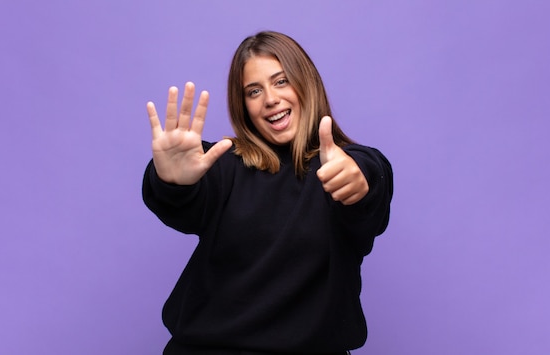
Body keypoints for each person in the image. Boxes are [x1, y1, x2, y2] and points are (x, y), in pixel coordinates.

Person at [142, 31, 393, 355]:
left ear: (307, 84)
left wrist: (359, 183)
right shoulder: (223, 164)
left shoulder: (347, 164)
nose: (270, 99)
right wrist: (171, 180)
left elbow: (369, 178)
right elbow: (183, 203)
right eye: (254, 91)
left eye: (281, 81)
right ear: (243, 105)